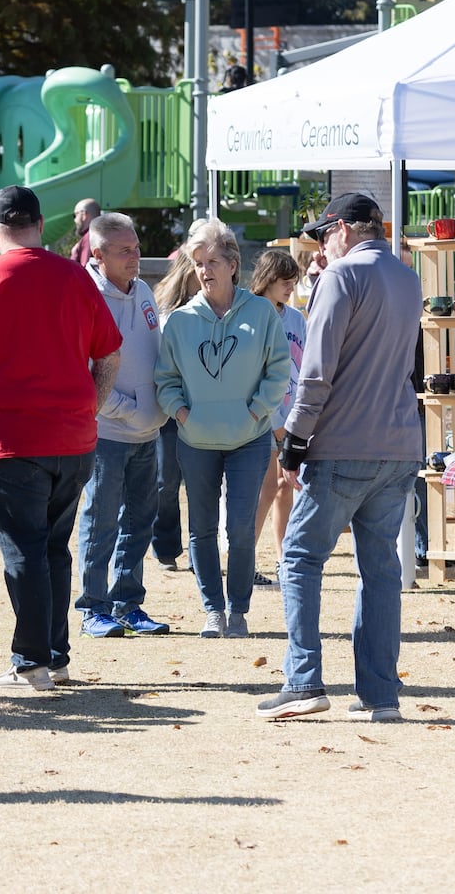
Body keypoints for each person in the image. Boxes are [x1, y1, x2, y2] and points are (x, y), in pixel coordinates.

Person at [0, 185, 121, 691]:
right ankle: (53, 655)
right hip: (75, 437)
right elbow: (109, 354)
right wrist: (90, 408)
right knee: (55, 548)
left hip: (11, 442)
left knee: (25, 551)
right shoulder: (76, 276)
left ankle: (32, 660)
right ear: (40, 224)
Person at [252, 193, 422, 722]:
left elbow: (317, 371)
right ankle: (379, 693)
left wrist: (295, 441)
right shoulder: (408, 276)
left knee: (299, 559)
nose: (321, 243)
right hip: (398, 442)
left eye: (324, 233)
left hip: (343, 442)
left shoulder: (340, 278)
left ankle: (303, 680)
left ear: (344, 229)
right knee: (379, 569)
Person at [155, 218, 290, 639]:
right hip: (195, 441)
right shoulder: (180, 321)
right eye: (197, 263)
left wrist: (255, 413)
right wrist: (181, 414)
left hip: (249, 439)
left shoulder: (262, 312)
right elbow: (165, 379)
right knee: (201, 529)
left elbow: (279, 370)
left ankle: (239, 609)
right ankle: (212, 609)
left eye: (212, 261)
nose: (204, 270)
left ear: (233, 264)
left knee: (240, 529)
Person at [73, 213, 170, 639]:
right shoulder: (82, 296)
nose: (136, 257)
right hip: (107, 436)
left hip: (149, 434)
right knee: (100, 521)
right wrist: (128, 409)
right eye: (124, 251)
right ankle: (92, 607)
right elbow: (81, 373)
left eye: (136, 247)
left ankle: (127, 603)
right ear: (98, 254)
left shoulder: (144, 290)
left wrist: (158, 407)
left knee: (140, 521)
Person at [249, 248, 306, 580]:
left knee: (286, 486)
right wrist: (277, 425)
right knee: (266, 488)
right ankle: (247, 560)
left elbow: (306, 366)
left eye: (293, 282)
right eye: (285, 282)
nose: (289, 288)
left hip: (292, 413)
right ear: (268, 280)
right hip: (261, 416)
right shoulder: (252, 313)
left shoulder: (296, 318)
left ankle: (284, 558)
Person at [150, 250, 200, 570]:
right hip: (171, 408)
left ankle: (200, 551)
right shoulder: (166, 313)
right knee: (165, 480)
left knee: (203, 484)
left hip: (205, 408)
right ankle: (166, 546)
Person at [69, 198, 101, 266]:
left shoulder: (89, 237)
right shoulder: (104, 235)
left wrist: (74, 253)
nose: (75, 220)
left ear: (84, 215)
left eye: (75, 215)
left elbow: (85, 269)